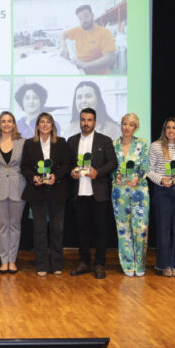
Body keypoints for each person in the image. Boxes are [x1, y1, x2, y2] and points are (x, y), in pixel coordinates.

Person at [67, 107, 118, 279]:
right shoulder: (72, 141)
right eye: (83, 119)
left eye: (89, 120)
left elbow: (112, 162)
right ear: (79, 121)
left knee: (101, 230)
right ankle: (84, 262)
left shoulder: (105, 140)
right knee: (82, 229)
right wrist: (71, 172)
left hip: (99, 192)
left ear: (94, 122)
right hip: (79, 192)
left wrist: (99, 171)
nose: (86, 123)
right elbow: (67, 164)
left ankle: (99, 264)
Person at [20, 112, 72, 276]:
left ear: (52, 126)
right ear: (37, 126)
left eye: (48, 122)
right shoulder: (29, 144)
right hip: (37, 192)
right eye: (41, 122)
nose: (44, 125)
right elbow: (25, 167)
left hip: (57, 191)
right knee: (39, 230)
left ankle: (56, 263)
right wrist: (33, 177)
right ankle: (41, 264)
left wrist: (56, 177)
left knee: (57, 229)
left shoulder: (61, 142)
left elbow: (66, 164)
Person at [147, 117, 175, 277]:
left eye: (174, 128)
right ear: (164, 130)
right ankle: (164, 265)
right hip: (162, 191)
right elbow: (148, 170)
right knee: (163, 229)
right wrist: (161, 180)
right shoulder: (156, 146)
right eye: (168, 128)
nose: (171, 130)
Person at [0, 111, 26, 273]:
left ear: (14, 124)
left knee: (15, 226)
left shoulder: (23, 142)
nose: (6, 124)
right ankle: (4, 260)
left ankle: (12, 260)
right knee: (2, 226)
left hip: (18, 188)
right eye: (3, 121)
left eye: (9, 121)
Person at [112, 113, 150, 277]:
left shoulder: (142, 143)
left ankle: (140, 264)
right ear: (121, 125)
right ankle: (127, 263)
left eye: (131, 125)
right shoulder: (112, 145)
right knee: (123, 229)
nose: (127, 127)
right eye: (124, 124)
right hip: (119, 191)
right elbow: (110, 166)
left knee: (140, 229)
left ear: (136, 127)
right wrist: (116, 175)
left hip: (139, 191)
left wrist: (138, 177)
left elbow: (145, 165)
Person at [58, 4, 117, 75]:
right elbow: (62, 34)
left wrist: (85, 65)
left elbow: (110, 58)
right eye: (80, 19)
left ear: (92, 15)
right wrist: (64, 46)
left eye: (86, 16)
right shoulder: (78, 30)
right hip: (80, 71)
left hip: (97, 75)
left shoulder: (104, 33)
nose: (83, 21)